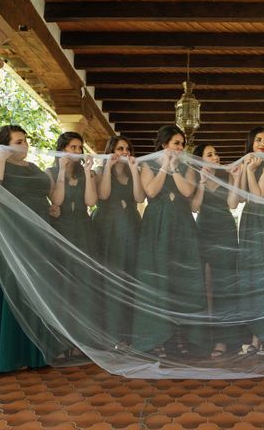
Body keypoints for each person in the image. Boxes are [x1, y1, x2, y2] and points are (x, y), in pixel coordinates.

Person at [0, 125, 50, 374]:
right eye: (18, 141)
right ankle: (3, 356)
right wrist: (1, 158)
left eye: (25, 140)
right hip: (8, 233)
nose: (24, 145)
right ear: (4, 145)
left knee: (33, 290)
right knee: (8, 289)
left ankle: (33, 354)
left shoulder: (34, 168)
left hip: (35, 235)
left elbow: (43, 192)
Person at [131, 125, 207, 358]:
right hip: (157, 226)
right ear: (164, 144)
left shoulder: (187, 167)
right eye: (176, 143)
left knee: (182, 280)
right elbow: (151, 192)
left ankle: (182, 335)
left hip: (182, 226)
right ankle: (157, 337)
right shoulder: (146, 165)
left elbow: (186, 193)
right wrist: (164, 166)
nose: (181, 147)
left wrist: (175, 169)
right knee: (157, 280)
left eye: (182, 143)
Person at [190, 143, 241, 358]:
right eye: (210, 154)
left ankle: (224, 339)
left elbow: (232, 204)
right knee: (206, 285)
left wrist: (236, 178)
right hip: (203, 230)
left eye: (216, 153)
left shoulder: (225, 176)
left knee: (225, 285)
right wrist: (201, 183)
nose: (216, 157)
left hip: (225, 230)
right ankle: (204, 336)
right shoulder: (193, 177)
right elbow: (194, 206)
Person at [93, 135, 144, 348]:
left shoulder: (135, 172)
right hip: (108, 227)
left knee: (129, 278)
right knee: (109, 277)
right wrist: (107, 168)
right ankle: (109, 334)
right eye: (119, 148)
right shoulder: (98, 171)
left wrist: (133, 170)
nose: (124, 152)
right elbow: (103, 195)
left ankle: (128, 334)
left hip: (132, 226)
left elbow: (140, 198)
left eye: (127, 148)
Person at [237, 126, 264, 358]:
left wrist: (250, 171)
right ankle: (255, 337)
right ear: (251, 143)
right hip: (249, 222)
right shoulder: (249, 164)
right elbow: (241, 197)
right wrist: (245, 170)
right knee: (252, 278)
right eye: (258, 140)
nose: (263, 144)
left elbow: (259, 196)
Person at [46, 132, 97, 252]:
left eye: (80, 148)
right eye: (73, 147)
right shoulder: (50, 172)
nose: (78, 151)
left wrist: (87, 172)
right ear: (62, 149)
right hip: (60, 227)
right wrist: (62, 170)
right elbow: (56, 201)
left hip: (84, 228)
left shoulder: (89, 173)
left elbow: (91, 202)